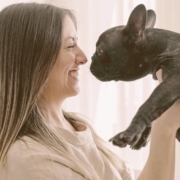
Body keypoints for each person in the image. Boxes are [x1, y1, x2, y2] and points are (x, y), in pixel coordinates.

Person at [0, 3, 179, 180]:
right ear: (32, 60)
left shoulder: (81, 129)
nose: (84, 58)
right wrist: (164, 126)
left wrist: (164, 123)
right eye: (71, 45)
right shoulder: (29, 160)